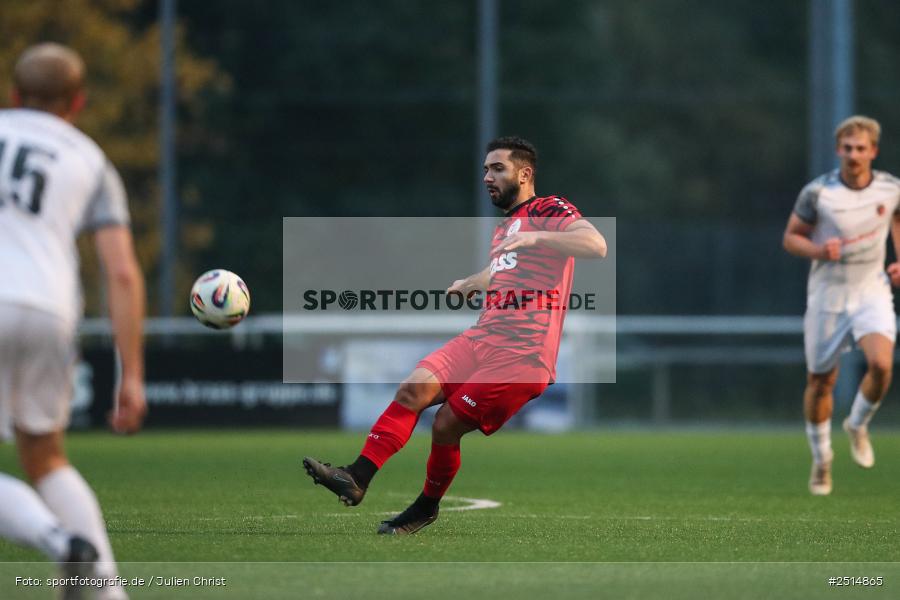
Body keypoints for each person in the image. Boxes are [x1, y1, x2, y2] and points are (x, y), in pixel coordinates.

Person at [304, 136, 607, 533]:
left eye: (497, 168)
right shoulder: (504, 230)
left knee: (445, 424)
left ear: (525, 173)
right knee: (413, 389)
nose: (487, 176)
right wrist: (475, 280)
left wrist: (539, 236)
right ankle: (356, 477)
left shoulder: (549, 209)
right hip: (481, 338)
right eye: (485, 169)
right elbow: (505, 270)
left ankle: (425, 508)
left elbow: (595, 244)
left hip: (521, 356)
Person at [0, 43, 146, 597]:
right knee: (45, 456)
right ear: (78, 103)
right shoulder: (89, 160)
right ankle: (106, 593)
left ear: (14, 95)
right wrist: (130, 374)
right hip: (49, 309)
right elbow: (123, 273)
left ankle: (60, 543)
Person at [783, 115, 900, 496]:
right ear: (838, 150)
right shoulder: (819, 193)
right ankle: (822, 460)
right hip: (828, 295)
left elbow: (896, 221)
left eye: (860, 148)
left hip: (871, 290)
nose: (853, 155)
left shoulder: (889, 188)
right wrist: (818, 250)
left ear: (873, 152)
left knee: (881, 365)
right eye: (847, 148)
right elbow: (791, 238)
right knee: (821, 382)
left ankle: (858, 423)